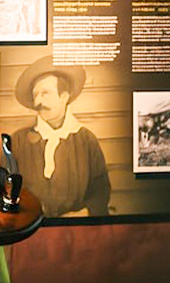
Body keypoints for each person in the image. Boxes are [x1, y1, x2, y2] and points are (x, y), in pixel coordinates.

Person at [9, 62, 110, 217]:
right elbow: (7, 188)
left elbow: (100, 191)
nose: (38, 102)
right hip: (30, 232)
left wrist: (84, 214)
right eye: (35, 95)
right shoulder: (17, 141)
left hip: (77, 232)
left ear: (64, 97)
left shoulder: (85, 140)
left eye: (45, 93)